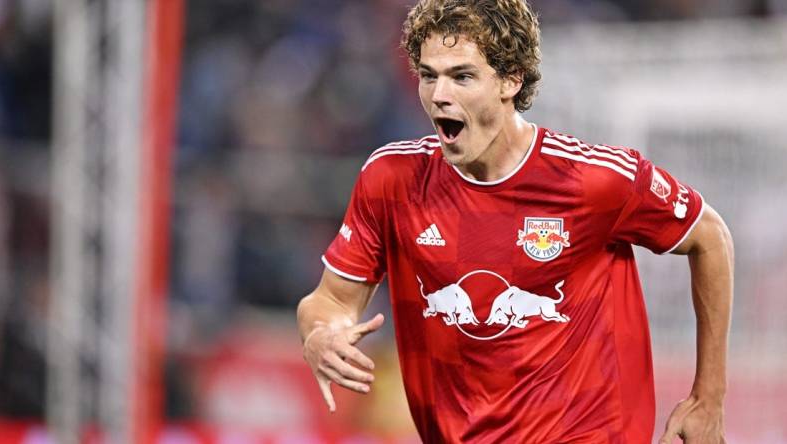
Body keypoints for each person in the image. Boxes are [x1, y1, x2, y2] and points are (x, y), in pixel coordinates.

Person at [296, 0, 733, 442]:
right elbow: (330, 300)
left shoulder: (595, 181)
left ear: (510, 79)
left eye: (462, 76)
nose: (439, 94)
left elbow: (710, 236)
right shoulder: (391, 180)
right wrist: (321, 333)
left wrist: (708, 397)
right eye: (429, 75)